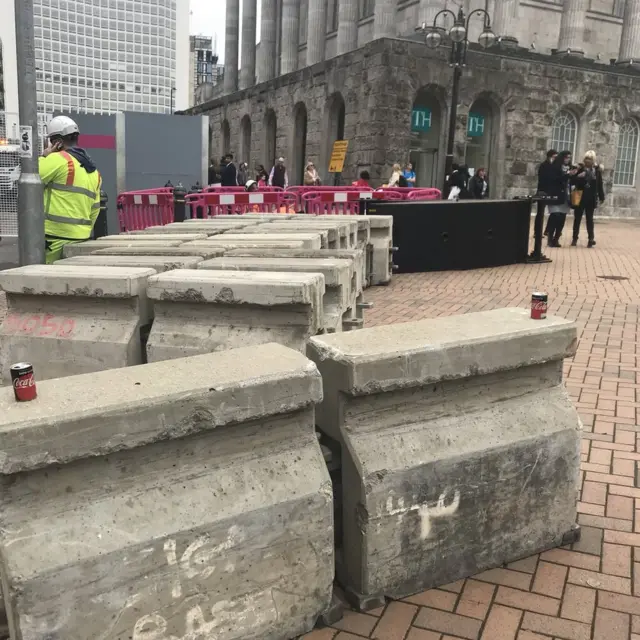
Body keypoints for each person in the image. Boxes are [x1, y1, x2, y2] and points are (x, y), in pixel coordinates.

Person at [39, 115, 102, 264]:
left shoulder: (57, 159)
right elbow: (95, 209)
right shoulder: (94, 172)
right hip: (82, 238)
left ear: (57, 142)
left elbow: (32, 180)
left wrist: (44, 156)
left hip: (54, 237)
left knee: (45, 282)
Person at [571, 150, 605, 248]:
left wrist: (601, 196)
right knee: (577, 218)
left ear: (593, 160)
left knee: (589, 219)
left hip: (590, 197)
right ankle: (574, 238)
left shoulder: (597, 171)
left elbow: (599, 184)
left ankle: (591, 239)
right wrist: (578, 176)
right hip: (579, 195)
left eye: (589, 159)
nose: (587, 161)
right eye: (586, 158)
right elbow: (572, 180)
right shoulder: (580, 168)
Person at [546, 150, 577, 247]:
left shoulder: (570, 168)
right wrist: (568, 175)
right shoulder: (555, 167)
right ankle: (550, 237)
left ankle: (556, 238)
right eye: (566, 157)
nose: (568, 159)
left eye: (569, 157)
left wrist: (575, 175)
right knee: (555, 216)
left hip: (566, 195)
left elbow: (572, 181)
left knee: (562, 218)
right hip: (556, 195)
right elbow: (555, 180)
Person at [537, 149, 558, 240]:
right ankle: (537, 231)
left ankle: (548, 230)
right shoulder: (544, 165)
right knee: (540, 213)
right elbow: (542, 179)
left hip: (552, 191)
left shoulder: (555, 166)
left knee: (554, 212)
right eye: (554, 157)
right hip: (543, 191)